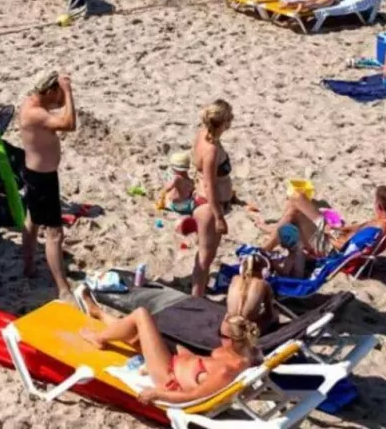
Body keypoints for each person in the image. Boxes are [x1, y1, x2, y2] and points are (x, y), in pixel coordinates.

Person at [78, 304, 260, 407]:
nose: (217, 337)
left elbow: (194, 396)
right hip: (179, 362)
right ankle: (100, 314)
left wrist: (156, 393)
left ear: (232, 340)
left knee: (141, 315)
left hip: (169, 378)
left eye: (221, 335)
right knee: (139, 337)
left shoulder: (225, 371)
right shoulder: (247, 353)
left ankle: (99, 338)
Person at [19, 72, 77, 300]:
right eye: (58, 94)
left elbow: (58, 111)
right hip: (42, 178)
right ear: (50, 91)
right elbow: (69, 124)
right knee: (54, 234)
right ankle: (62, 288)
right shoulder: (35, 113)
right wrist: (69, 92)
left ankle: (28, 266)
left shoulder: (33, 102)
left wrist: (62, 94)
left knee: (33, 218)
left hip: (35, 173)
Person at [255, 185, 386, 259]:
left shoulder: (377, 230)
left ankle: (264, 250)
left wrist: (329, 232)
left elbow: (347, 250)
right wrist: (336, 229)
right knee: (296, 206)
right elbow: (354, 233)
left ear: (379, 206)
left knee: (296, 200)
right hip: (334, 236)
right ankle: (272, 231)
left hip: (330, 248)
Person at [189, 100, 235, 298]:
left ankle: (197, 290)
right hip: (209, 206)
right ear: (223, 123)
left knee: (204, 253)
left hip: (203, 201)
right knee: (205, 257)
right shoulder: (212, 150)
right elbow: (209, 184)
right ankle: (196, 298)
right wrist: (219, 217)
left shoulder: (203, 136)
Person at [160, 151, 195, 217]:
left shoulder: (177, 178)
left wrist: (164, 190)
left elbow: (167, 188)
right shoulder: (191, 181)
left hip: (177, 206)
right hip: (188, 206)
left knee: (168, 196)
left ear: (175, 169)